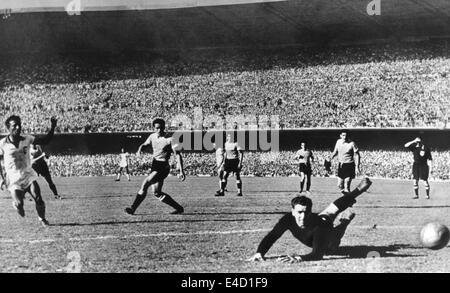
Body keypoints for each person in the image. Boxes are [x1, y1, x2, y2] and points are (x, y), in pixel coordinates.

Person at [247, 177, 372, 262]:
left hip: (326, 233)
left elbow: (317, 255)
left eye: (306, 212)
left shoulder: (319, 228)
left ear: (310, 212)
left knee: (332, 246)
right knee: (330, 211)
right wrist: (260, 252)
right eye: (299, 212)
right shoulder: (288, 219)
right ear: (292, 211)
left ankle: (344, 222)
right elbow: (273, 235)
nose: (302, 216)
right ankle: (357, 191)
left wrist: (299, 258)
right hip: (322, 218)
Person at [0, 115, 57, 226]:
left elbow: (45, 141)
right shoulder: (2, 144)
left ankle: (42, 219)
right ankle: (17, 205)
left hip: (28, 175)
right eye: (14, 125)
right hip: (13, 179)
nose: (17, 127)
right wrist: (1, 178)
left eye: (19, 125)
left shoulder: (27, 139)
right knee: (19, 203)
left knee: (38, 198)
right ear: (8, 128)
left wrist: (53, 127)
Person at [125, 118, 185, 215]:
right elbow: (145, 144)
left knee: (145, 183)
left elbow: (177, 155)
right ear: (154, 128)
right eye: (157, 128)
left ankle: (132, 208)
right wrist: (140, 149)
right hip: (155, 164)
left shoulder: (170, 139)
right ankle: (179, 208)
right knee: (157, 192)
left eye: (161, 128)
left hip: (163, 166)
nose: (159, 130)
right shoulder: (152, 136)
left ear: (164, 127)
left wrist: (181, 171)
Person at [215, 132, 244, 197]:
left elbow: (241, 153)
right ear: (227, 137)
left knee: (237, 176)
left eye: (230, 136)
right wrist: (223, 162)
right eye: (228, 136)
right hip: (228, 161)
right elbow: (225, 153)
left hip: (235, 161)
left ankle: (239, 191)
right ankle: (222, 191)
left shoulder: (236, 144)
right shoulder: (226, 144)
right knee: (225, 176)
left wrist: (240, 163)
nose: (229, 137)